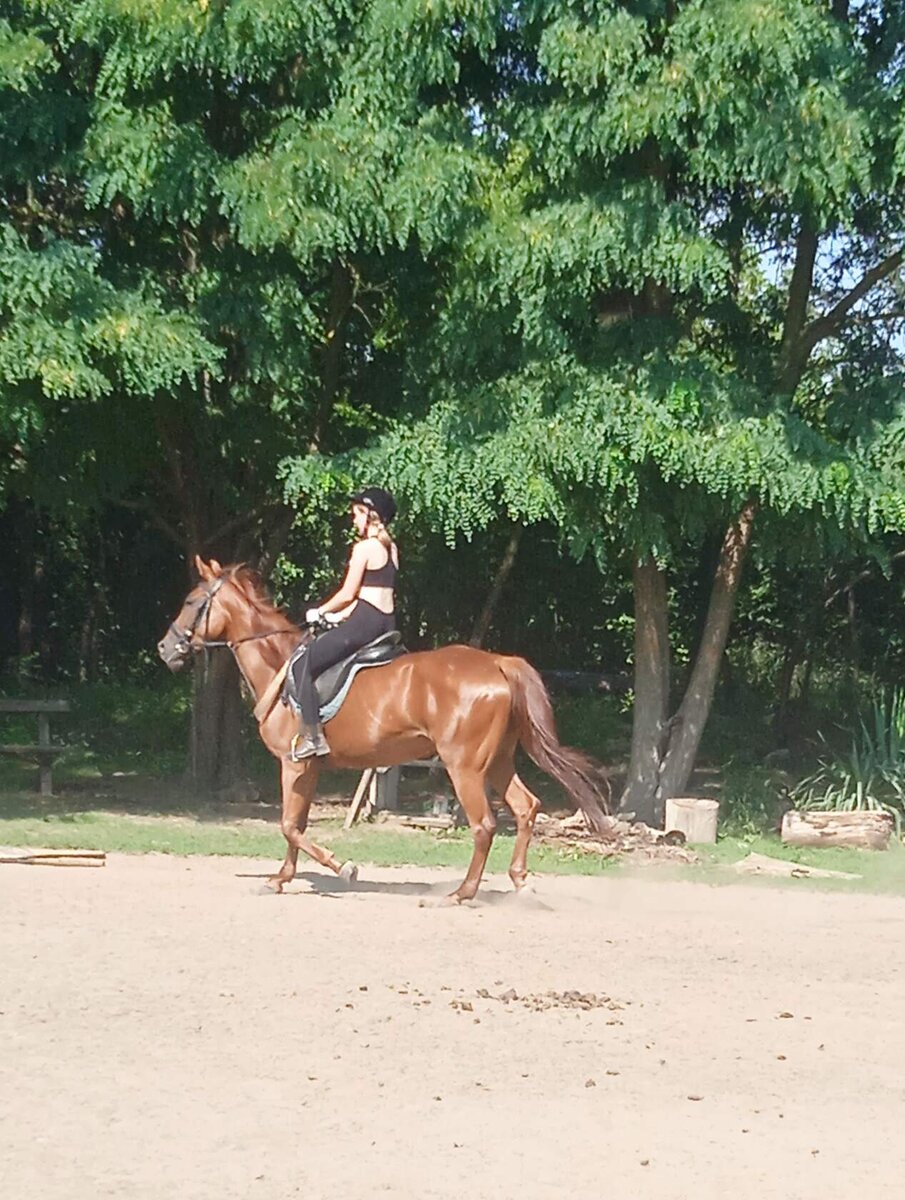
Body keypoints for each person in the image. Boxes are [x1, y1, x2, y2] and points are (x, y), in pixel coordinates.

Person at [288, 486, 399, 759]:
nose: (353, 520)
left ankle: (313, 737)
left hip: (365, 624)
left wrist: (319, 611)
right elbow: (372, 593)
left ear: (370, 515)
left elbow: (348, 593)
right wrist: (337, 617)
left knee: (303, 664)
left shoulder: (364, 549)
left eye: (356, 514)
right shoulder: (392, 548)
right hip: (385, 622)